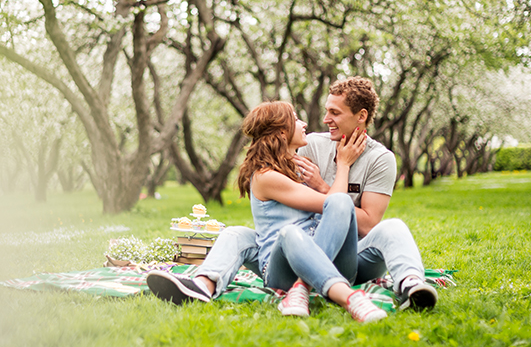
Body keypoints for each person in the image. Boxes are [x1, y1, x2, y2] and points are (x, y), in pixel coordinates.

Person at [147, 77, 436, 312]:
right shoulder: (308, 146)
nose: (322, 120)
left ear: (361, 116)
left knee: (393, 227)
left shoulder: (380, 160)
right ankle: (203, 284)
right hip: (296, 249)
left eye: (334, 113)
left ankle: (411, 285)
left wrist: (331, 178)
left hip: (347, 255)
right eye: (324, 111)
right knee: (236, 234)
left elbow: (364, 222)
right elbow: (274, 152)